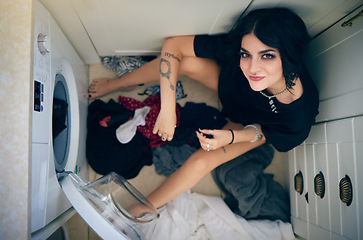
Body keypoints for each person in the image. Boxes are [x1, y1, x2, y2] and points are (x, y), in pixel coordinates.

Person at [88, 8, 319, 221]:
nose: (252, 68)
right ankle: (118, 83)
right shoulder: (240, 46)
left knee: (202, 159)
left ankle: (142, 209)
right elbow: (173, 45)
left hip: (247, 123)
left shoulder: (298, 118)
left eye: (267, 56)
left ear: (288, 56)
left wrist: (229, 137)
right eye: (246, 54)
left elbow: (265, 133)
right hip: (228, 88)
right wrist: (167, 109)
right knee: (186, 62)